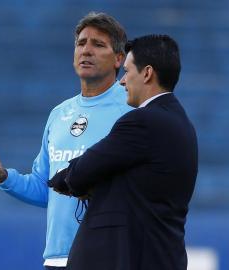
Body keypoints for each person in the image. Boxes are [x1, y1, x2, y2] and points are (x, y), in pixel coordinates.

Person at [0, 12, 131, 269]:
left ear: (119, 58)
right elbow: (46, 189)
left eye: (98, 45)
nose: (86, 51)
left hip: (108, 255)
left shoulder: (131, 109)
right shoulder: (59, 114)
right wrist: (3, 176)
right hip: (57, 258)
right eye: (81, 43)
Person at [48, 34, 198, 270]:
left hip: (129, 258)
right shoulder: (182, 123)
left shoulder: (142, 121)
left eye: (127, 72)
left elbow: (81, 172)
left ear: (147, 73)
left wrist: (67, 178)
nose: (122, 81)